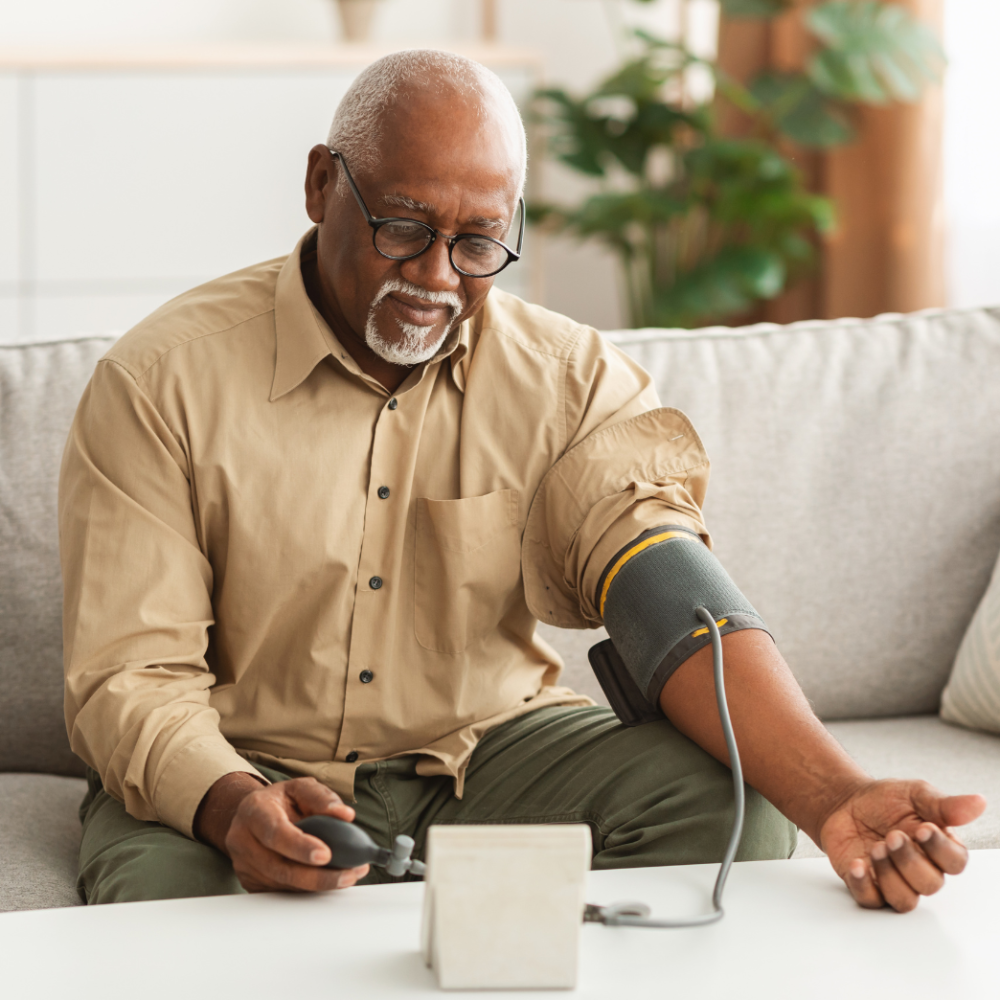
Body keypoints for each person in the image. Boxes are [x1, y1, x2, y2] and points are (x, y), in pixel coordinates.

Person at [60, 49, 983, 913]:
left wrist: (836, 794)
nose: (434, 275)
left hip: (485, 756)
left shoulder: (572, 381)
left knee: (730, 806)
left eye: (477, 242)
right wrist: (227, 806)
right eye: (403, 226)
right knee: (162, 905)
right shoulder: (160, 382)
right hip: (239, 759)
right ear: (319, 186)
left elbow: (665, 596)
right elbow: (129, 677)